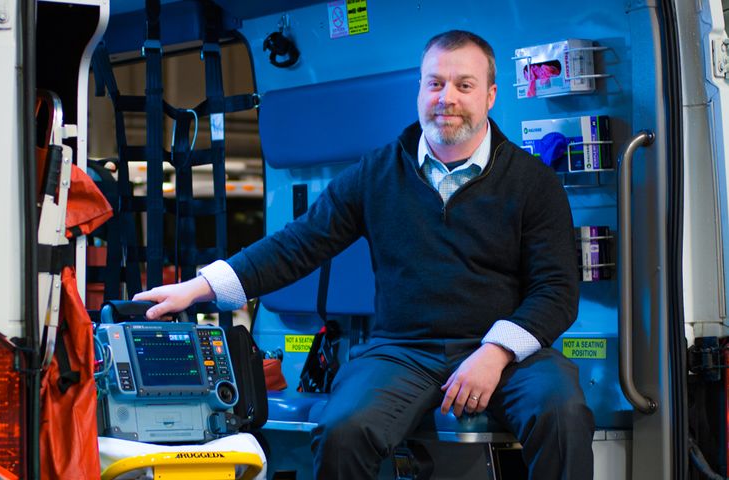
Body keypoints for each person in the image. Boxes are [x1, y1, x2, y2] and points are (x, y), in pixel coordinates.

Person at [134, 30, 595, 479]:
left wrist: (495, 352)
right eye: (434, 83)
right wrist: (197, 289)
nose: (446, 97)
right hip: (403, 349)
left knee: (563, 412)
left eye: (464, 85)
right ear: (419, 89)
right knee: (343, 429)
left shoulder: (533, 181)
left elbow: (556, 291)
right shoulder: (377, 174)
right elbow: (298, 244)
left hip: (505, 353)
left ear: (491, 95)